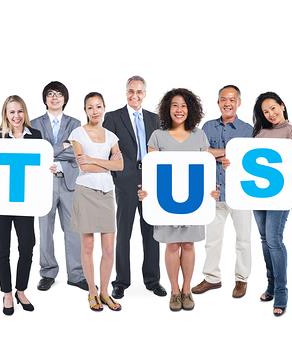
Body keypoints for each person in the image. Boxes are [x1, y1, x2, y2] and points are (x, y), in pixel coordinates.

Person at [138, 88, 218, 312]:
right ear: (167, 108)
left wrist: (212, 191)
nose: (179, 109)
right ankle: (174, 291)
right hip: (165, 201)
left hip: (193, 201)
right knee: (172, 245)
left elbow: (206, 171)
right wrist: (145, 191)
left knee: (189, 244)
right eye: (175, 105)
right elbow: (151, 171)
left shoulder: (199, 135)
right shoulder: (157, 136)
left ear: (190, 108)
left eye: (183, 105)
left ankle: (186, 289)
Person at [102, 75, 166, 299]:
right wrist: (117, 176)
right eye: (131, 91)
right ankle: (121, 281)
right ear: (125, 91)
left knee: (151, 232)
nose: (135, 95)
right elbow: (107, 150)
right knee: (124, 232)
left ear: (145, 94)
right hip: (126, 182)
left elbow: (161, 148)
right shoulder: (112, 118)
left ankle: (153, 280)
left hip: (151, 182)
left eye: (139, 92)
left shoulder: (155, 119)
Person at [0, 95, 41, 315]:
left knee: (27, 246)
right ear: (5, 114)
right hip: (1, 203)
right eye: (12, 112)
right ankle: (6, 293)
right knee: (2, 249)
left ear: (25, 113)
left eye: (20, 111)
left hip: (25, 203)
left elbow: (41, 167)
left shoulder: (36, 137)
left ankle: (20, 290)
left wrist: (49, 170)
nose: (16, 116)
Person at [192, 85, 254, 298]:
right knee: (213, 239)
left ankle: (241, 279)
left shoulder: (248, 129)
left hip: (240, 194)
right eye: (223, 99)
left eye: (232, 99)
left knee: (243, 239)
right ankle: (212, 278)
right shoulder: (207, 127)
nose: (227, 103)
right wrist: (229, 153)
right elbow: (201, 153)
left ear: (239, 102)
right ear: (218, 102)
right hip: (214, 192)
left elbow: (250, 158)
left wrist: (217, 155)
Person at [67, 92, 123, 311]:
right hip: (86, 191)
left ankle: (105, 292)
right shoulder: (77, 133)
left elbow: (120, 166)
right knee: (88, 246)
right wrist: (106, 162)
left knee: (109, 249)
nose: (95, 111)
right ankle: (92, 292)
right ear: (85, 110)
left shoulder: (111, 136)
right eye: (90, 107)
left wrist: (93, 159)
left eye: (98, 106)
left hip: (107, 193)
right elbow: (84, 167)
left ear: (104, 108)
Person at [29, 81, 87, 291]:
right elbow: (35, 152)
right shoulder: (34, 123)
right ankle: (48, 272)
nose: (54, 98)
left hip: (69, 180)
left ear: (65, 99)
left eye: (59, 94)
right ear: (45, 99)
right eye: (50, 94)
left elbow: (78, 151)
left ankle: (76, 274)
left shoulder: (75, 123)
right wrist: (62, 146)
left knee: (73, 230)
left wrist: (52, 152)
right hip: (43, 183)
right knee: (45, 230)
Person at [251, 91, 292, 317]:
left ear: (282, 105)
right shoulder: (259, 132)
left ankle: (281, 293)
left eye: (273, 108)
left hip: (281, 194)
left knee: (274, 239)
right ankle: (270, 286)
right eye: (265, 111)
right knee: (264, 239)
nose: (270, 114)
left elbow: (287, 160)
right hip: (256, 194)